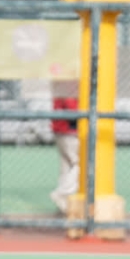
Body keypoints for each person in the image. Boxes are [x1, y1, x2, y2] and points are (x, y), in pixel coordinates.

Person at [49, 80, 80, 214]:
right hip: (69, 131)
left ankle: (64, 203)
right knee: (81, 164)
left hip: (61, 130)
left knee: (67, 166)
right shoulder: (69, 86)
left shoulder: (61, 85)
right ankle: (62, 193)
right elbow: (72, 108)